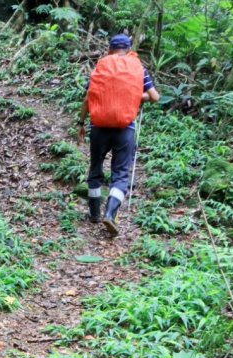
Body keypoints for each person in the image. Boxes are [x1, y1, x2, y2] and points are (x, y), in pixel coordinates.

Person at [77, 34, 160, 235]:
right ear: (129, 49)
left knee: (95, 168)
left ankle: (94, 214)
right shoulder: (138, 68)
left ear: (109, 50)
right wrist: (134, 95)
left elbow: (89, 98)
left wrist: (80, 122)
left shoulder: (101, 67)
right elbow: (154, 97)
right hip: (125, 129)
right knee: (121, 174)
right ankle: (110, 214)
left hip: (99, 128)